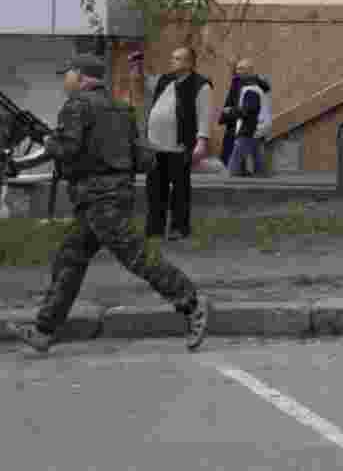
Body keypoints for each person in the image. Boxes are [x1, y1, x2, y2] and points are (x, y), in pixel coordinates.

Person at [2, 54, 209, 353]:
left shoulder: (77, 106)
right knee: (69, 260)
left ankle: (191, 302)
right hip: (108, 197)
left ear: (81, 75)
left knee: (136, 257)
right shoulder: (122, 109)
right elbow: (143, 159)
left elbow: (67, 148)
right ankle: (44, 330)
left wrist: (44, 147)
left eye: (67, 74)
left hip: (99, 199)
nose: (65, 80)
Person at [143, 47, 213, 240]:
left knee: (180, 190)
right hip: (156, 146)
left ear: (190, 63)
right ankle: (154, 229)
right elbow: (143, 87)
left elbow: (205, 115)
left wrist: (202, 141)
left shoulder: (200, 85)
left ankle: (179, 228)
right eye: (172, 58)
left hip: (179, 146)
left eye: (178, 58)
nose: (173, 61)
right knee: (155, 189)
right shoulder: (165, 80)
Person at [226, 59, 272, 177]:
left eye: (241, 68)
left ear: (250, 70)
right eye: (237, 68)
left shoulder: (252, 86)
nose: (237, 71)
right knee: (256, 149)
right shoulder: (246, 84)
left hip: (251, 125)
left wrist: (232, 111)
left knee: (239, 151)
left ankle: (234, 173)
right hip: (255, 124)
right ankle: (260, 172)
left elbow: (249, 109)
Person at [219, 60, 243, 168]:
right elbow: (231, 100)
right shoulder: (237, 81)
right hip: (234, 120)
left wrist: (228, 111)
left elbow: (232, 101)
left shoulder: (238, 82)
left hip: (237, 120)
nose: (236, 71)